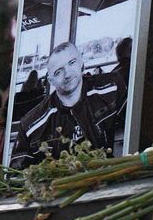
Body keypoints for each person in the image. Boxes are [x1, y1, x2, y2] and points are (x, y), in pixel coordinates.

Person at [10, 40, 125, 168]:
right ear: (50, 80)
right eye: (58, 71)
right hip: (65, 186)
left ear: (81, 62)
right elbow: (17, 174)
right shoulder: (30, 125)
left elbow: (136, 130)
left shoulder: (112, 88)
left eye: (71, 63)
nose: (67, 74)